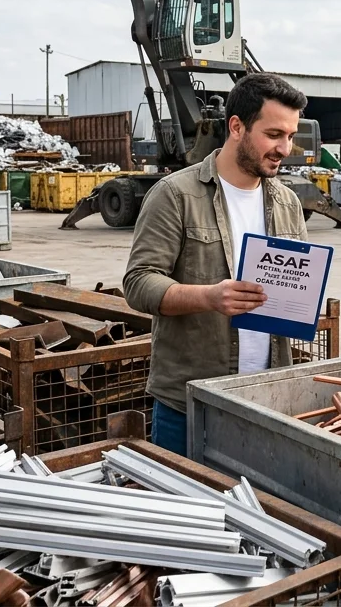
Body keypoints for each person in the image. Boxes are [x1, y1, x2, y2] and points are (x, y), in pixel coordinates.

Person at [124, 73, 309, 456]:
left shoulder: (289, 203)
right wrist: (209, 297)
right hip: (192, 402)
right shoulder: (176, 195)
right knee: (183, 513)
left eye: (290, 136)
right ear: (237, 127)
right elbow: (139, 283)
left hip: (266, 398)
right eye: (274, 134)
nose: (285, 148)